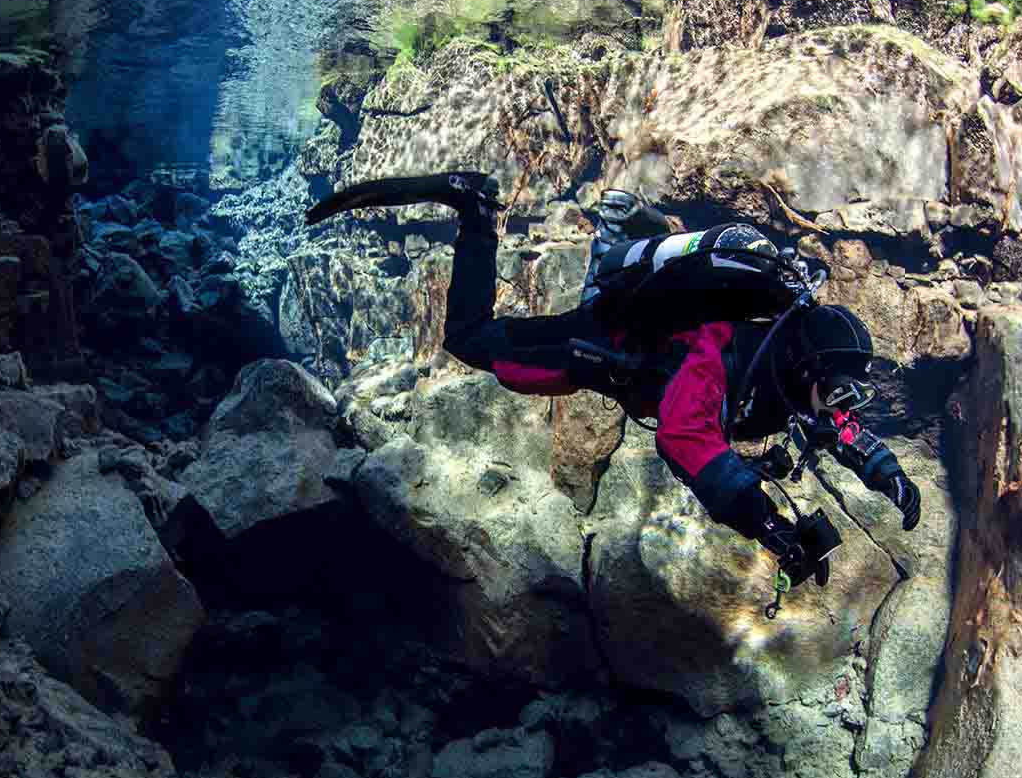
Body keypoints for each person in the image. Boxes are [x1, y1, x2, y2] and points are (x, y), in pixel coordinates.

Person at [306, 172, 920, 592]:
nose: (845, 406)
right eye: (841, 388)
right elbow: (685, 440)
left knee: (600, 292)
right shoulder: (720, 354)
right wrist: (767, 524)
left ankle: (630, 237)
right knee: (470, 339)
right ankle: (477, 210)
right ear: (810, 369)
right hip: (596, 348)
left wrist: (883, 470)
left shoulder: (787, 376)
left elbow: (834, 423)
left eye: (850, 394)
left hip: (631, 347)